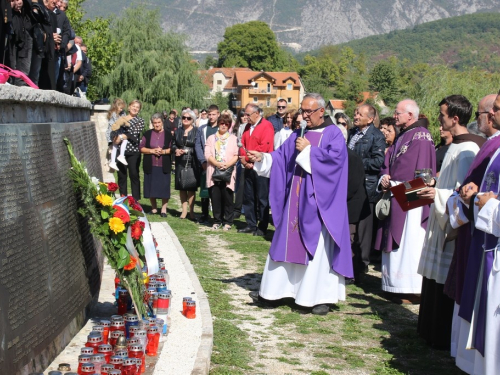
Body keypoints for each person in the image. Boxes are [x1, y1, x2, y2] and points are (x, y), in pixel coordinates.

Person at [245, 93, 353, 315]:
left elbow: (335, 166)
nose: (304, 116)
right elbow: (280, 158)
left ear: (321, 111)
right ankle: (277, 292)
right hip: (294, 200)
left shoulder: (334, 135)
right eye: (302, 111)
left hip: (319, 203)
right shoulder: (299, 133)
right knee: (284, 243)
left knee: (318, 249)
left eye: (308, 112)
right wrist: (262, 159)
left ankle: (318, 297)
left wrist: (309, 151)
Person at [416, 95, 484, 350]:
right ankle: (428, 331)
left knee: (443, 280)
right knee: (434, 280)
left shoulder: (467, 150)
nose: (439, 120)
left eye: (442, 115)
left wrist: (438, 194)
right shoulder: (457, 145)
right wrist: (436, 184)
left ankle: (440, 334)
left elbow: (463, 192)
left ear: (455, 118)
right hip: (440, 216)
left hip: (450, 227)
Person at [445, 93, 500, 372]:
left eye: (495, 110)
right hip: (485, 240)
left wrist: (486, 204)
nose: (490, 116)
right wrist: (473, 196)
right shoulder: (496, 148)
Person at [376, 99, 436, 304]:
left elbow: (425, 175)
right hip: (396, 194)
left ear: (410, 115)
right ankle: (393, 286)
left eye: (398, 113)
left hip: (413, 201)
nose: (395, 116)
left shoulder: (421, 137)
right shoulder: (403, 135)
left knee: (410, 243)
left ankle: (411, 289)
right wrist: (384, 179)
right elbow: (388, 163)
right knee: (396, 244)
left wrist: (398, 187)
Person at [348, 104, 386, 279]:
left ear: (370, 119)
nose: (355, 116)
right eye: (355, 112)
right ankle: (348, 264)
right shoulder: (352, 133)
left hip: (367, 188)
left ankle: (360, 267)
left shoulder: (376, 136)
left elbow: (378, 162)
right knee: (350, 228)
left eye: (359, 114)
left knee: (363, 232)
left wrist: (355, 165)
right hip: (350, 187)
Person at [238, 103, 274, 236]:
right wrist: (243, 159)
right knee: (249, 196)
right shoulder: (247, 127)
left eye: (248, 114)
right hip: (248, 166)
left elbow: (264, 146)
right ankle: (251, 223)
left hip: (261, 167)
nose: (245, 117)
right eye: (245, 114)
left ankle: (262, 226)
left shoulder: (266, 126)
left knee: (262, 198)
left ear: (257, 113)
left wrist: (248, 159)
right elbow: (242, 143)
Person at [204, 114, 239, 230]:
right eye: (222, 123)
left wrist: (227, 165)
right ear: (218, 124)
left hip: (228, 171)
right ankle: (217, 220)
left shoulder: (233, 139)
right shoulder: (211, 138)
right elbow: (207, 154)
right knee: (215, 197)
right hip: (214, 170)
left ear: (229, 125)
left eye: (226, 124)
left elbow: (236, 155)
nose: (224, 125)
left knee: (228, 197)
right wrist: (217, 163)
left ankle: (228, 221)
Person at [139, 113, 172, 217]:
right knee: (151, 187)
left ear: (162, 122)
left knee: (164, 187)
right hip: (151, 164)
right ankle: (153, 209)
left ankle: (163, 210)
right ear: (152, 123)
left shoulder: (168, 134)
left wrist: (163, 152)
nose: (157, 125)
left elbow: (173, 148)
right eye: (154, 123)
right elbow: (141, 148)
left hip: (164, 164)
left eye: (159, 122)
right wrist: (152, 151)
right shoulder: (147, 134)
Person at [112, 100, 145, 201]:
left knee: (134, 174)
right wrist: (116, 137)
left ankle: (135, 200)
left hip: (133, 151)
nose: (135, 108)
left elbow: (134, 133)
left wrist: (121, 135)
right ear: (129, 107)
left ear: (139, 110)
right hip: (120, 151)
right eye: (133, 106)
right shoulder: (120, 118)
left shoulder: (140, 121)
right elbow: (113, 130)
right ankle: (123, 198)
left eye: (137, 107)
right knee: (122, 176)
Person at [172, 109, 199, 220]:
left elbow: (198, 146)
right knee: (182, 187)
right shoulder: (178, 131)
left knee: (191, 187)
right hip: (180, 161)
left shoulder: (197, 131)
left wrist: (189, 151)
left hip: (192, 161)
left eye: (188, 118)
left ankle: (191, 211)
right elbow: (173, 144)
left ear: (192, 120)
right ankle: (184, 211)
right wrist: (176, 150)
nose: (186, 120)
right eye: (184, 117)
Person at [195, 104, 220, 224]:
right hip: (205, 164)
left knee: (218, 190)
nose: (211, 116)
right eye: (209, 114)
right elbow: (198, 145)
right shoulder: (202, 128)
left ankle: (218, 215)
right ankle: (204, 214)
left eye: (213, 114)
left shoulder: (222, 127)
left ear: (218, 114)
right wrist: (202, 161)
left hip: (219, 164)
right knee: (205, 190)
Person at [8, 0, 32, 86]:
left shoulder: (25, 9)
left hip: (22, 38)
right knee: (11, 67)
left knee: (22, 71)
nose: (19, 2)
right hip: (10, 37)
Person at [233, 110, 248, 219]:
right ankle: (237, 209)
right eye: (242, 116)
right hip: (241, 158)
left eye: (246, 115)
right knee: (240, 185)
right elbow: (239, 143)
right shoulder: (240, 128)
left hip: (252, 158)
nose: (245, 118)